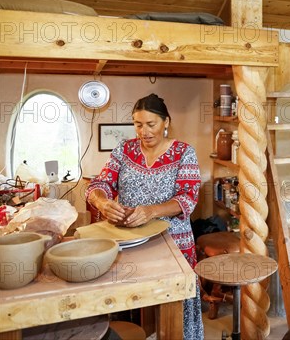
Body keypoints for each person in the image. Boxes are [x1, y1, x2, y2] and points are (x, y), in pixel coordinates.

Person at [86, 93, 203, 340]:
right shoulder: (124, 149)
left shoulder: (184, 152)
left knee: (172, 309)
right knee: (131, 304)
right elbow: (100, 183)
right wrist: (103, 202)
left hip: (174, 244)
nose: (144, 131)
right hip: (130, 243)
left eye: (151, 124)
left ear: (166, 122)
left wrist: (151, 211)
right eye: (138, 124)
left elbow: (187, 197)